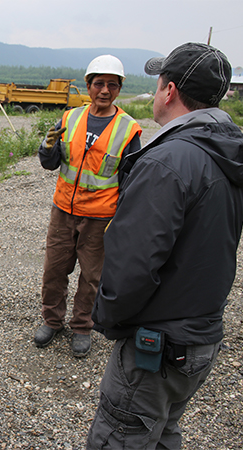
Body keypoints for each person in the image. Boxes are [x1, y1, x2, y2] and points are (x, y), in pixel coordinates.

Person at [86, 43, 243, 449]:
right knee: (160, 433)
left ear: (169, 91)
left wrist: (106, 317)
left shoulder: (167, 162)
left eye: (158, 84)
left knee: (121, 437)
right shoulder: (228, 152)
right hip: (200, 338)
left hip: (156, 344)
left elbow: (132, 266)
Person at [34, 55, 142, 357]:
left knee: (91, 277)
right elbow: (50, 163)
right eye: (98, 84)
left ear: (119, 89)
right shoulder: (70, 118)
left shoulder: (128, 129)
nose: (104, 90)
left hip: (100, 217)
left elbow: (131, 181)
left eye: (111, 85)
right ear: (88, 86)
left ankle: (82, 326)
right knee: (54, 270)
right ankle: (52, 321)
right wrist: (47, 146)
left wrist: (121, 220)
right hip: (63, 212)